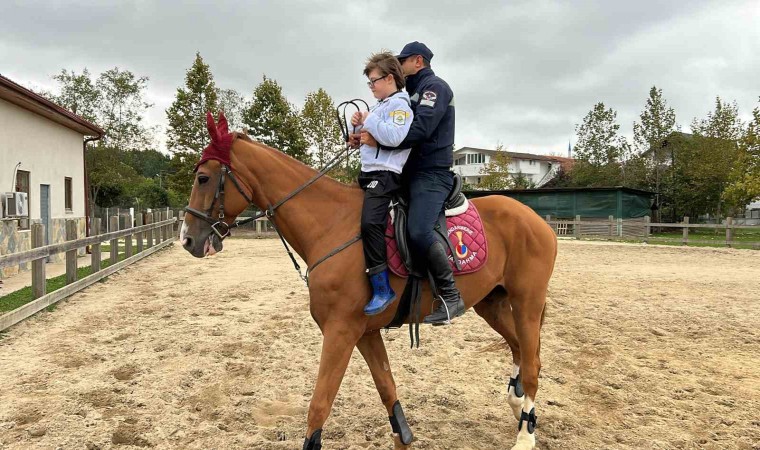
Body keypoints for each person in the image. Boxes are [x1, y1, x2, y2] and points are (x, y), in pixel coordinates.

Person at [359, 41, 465, 325]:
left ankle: (451, 294)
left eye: (402, 60)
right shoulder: (409, 94)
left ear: (418, 61)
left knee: (418, 230)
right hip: (406, 173)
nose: (399, 66)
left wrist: (378, 136)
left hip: (431, 173)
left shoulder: (435, 89)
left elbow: (420, 129)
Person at [352, 51, 414, 316]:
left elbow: (395, 136)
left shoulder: (400, 106)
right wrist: (356, 131)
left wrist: (369, 120)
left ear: (389, 78)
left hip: (386, 175)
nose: (371, 87)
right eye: (369, 83)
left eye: (373, 81)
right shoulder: (381, 106)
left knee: (370, 222)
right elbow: (372, 137)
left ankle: (382, 287)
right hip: (368, 171)